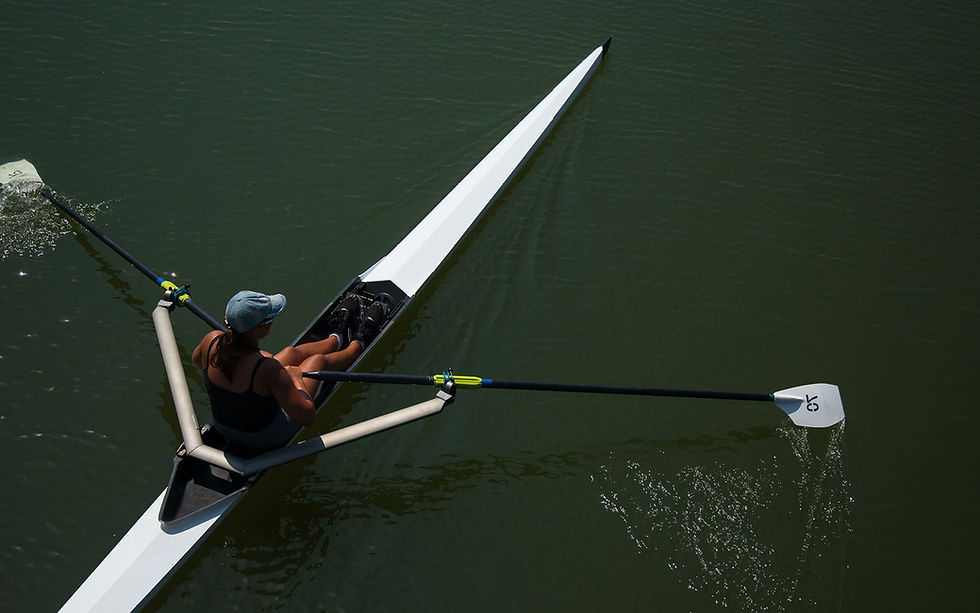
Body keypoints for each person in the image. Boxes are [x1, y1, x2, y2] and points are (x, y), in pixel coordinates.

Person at [191, 290, 385, 450]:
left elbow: (198, 362)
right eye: (270, 319)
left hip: (225, 427)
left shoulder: (212, 340)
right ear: (258, 330)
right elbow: (306, 417)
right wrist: (296, 379)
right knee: (316, 362)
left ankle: (336, 338)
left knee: (289, 353)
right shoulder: (267, 368)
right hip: (264, 436)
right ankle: (357, 345)